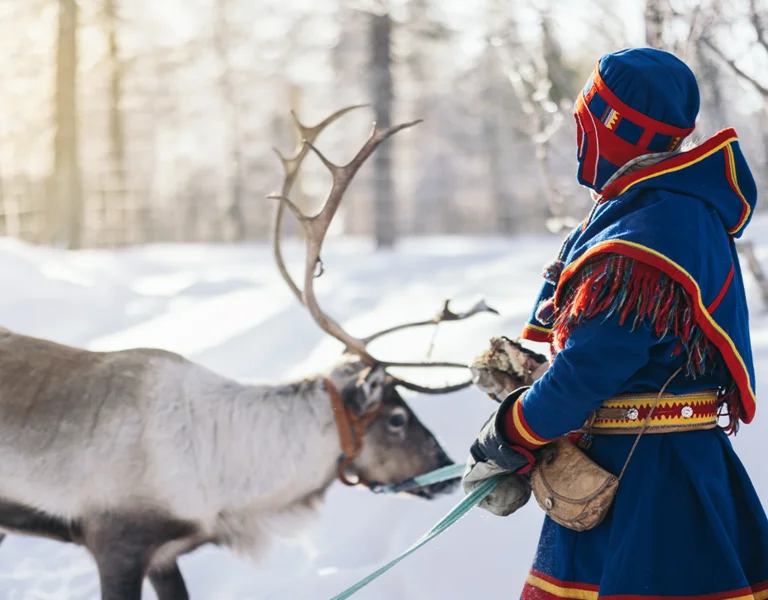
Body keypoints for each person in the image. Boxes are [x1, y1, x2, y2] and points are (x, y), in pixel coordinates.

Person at [462, 47, 768, 599]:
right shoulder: (677, 211)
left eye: (586, 122)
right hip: (683, 471)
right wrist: (537, 372)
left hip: (645, 491)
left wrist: (508, 431)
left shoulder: (642, 236)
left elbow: (588, 373)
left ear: (615, 130)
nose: (580, 140)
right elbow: (631, 355)